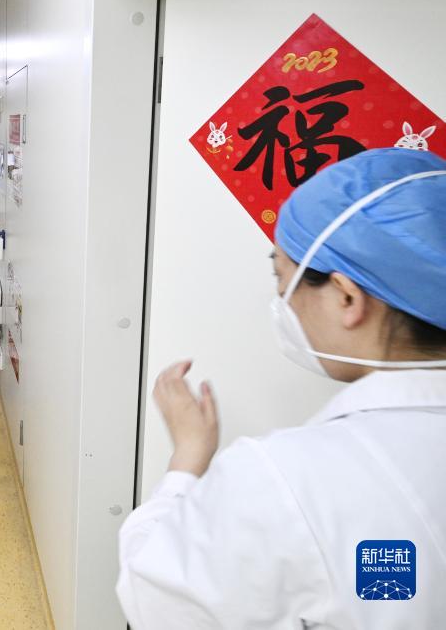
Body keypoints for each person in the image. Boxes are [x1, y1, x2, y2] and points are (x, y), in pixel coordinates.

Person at [116, 148, 446, 628]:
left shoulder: (287, 478)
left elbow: (155, 599)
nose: (280, 302)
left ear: (347, 298)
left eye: (282, 279)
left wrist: (186, 460)